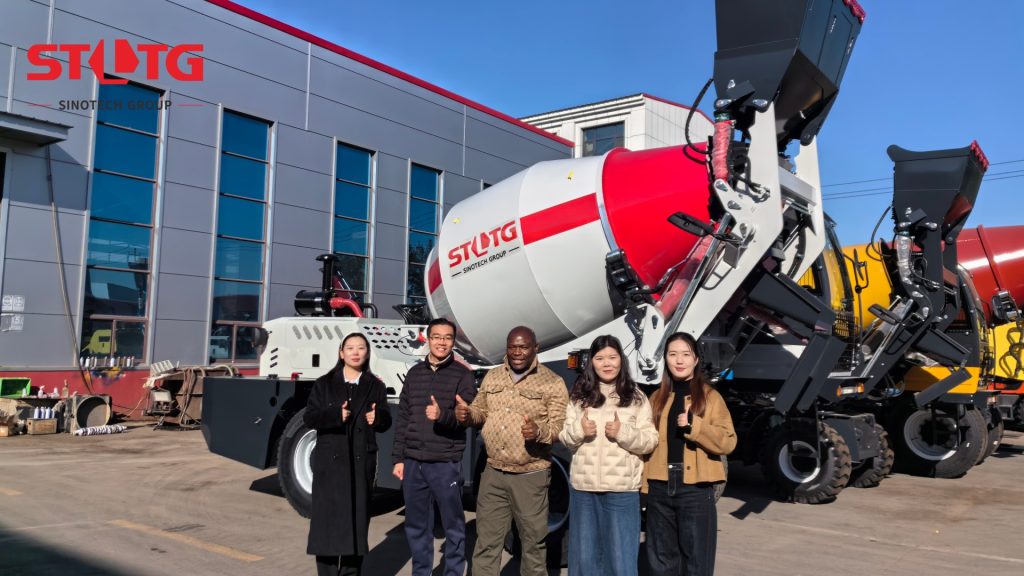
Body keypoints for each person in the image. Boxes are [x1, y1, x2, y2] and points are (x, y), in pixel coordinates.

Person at [454, 326, 568, 576]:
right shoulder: (493, 376)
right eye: (512, 346)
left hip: (530, 476)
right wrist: (467, 415)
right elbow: (481, 412)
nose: (517, 352)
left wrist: (539, 431)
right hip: (494, 473)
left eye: (523, 347)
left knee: (533, 546)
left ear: (535, 348)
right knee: (486, 543)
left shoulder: (552, 382)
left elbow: (561, 426)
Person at [559, 335, 658, 576]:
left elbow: (650, 441)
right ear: (591, 363)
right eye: (600, 358)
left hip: (621, 491)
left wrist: (622, 433)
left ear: (621, 360)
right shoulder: (579, 396)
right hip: (584, 490)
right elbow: (565, 438)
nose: (607, 364)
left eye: (612, 357)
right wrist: (580, 430)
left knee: (620, 559)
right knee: (584, 559)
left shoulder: (636, 397)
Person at [642, 332, 736, 576]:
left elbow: (728, 442)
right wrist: (644, 486)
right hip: (659, 487)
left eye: (685, 354)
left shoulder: (710, 397)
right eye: (672, 354)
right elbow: (646, 445)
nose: (679, 360)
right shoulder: (656, 398)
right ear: (665, 359)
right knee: (661, 563)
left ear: (695, 360)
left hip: (695, 490)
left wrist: (696, 426)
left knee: (697, 563)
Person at [391, 318, 478, 576]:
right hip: (413, 462)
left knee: (453, 526)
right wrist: (398, 458)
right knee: (417, 526)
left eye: (448, 338)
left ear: (453, 342)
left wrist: (442, 415)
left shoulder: (463, 375)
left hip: (444, 462)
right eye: (437, 337)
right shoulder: (415, 373)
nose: (442, 342)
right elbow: (403, 417)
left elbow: (466, 418)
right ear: (428, 339)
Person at [305, 332, 392, 576]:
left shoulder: (375, 385)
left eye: (361, 347)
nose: (355, 352)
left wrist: (378, 418)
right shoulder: (323, 383)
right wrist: (335, 415)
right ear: (341, 353)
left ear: (368, 353)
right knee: (327, 525)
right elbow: (310, 417)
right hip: (330, 466)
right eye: (350, 347)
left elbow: (386, 420)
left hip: (360, 464)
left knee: (356, 524)